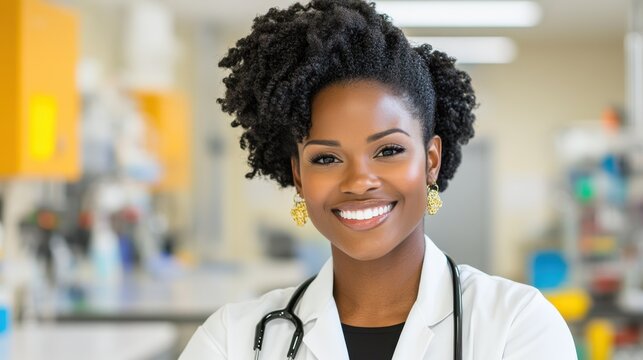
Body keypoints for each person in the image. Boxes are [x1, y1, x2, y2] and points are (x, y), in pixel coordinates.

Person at [180, 0, 577, 359]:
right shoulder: (233, 340)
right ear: (299, 176)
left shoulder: (517, 326)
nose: (359, 180)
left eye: (388, 151)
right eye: (326, 157)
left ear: (431, 161)